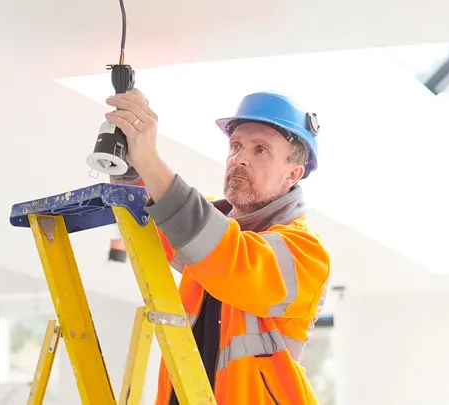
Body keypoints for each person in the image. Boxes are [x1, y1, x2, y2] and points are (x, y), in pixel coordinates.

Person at [105, 89, 332, 405]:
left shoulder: (305, 254)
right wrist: (131, 166)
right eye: (236, 145)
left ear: (292, 174)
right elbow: (156, 226)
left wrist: (150, 160)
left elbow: (231, 258)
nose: (239, 157)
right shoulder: (208, 230)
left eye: (260, 150)